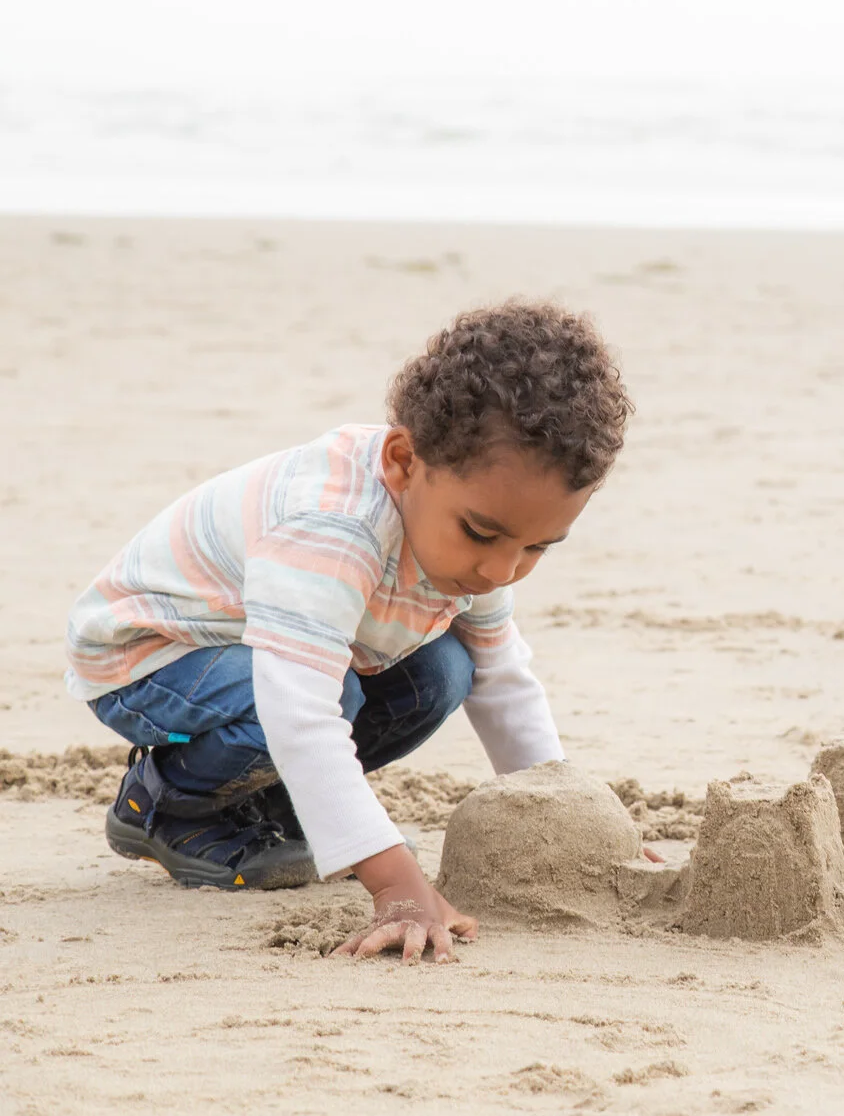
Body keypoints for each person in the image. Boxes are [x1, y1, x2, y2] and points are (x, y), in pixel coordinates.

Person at [66, 299, 633, 959]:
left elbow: (503, 677)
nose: (501, 567)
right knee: (330, 694)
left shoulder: (475, 544)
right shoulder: (333, 524)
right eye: (480, 532)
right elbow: (300, 708)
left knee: (447, 670)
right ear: (401, 460)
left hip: (269, 660)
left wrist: (568, 818)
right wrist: (394, 883)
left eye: (539, 546)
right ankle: (166, 801)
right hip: (149, 657)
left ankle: (273, 806)